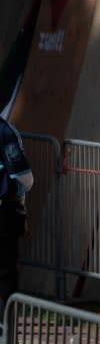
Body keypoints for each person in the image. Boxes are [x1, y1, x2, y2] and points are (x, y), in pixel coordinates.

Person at [0, 116, 33, 311]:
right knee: (5, 273)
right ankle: (8, 333)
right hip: (3, 209)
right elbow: (22, 175)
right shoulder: (4, 131)